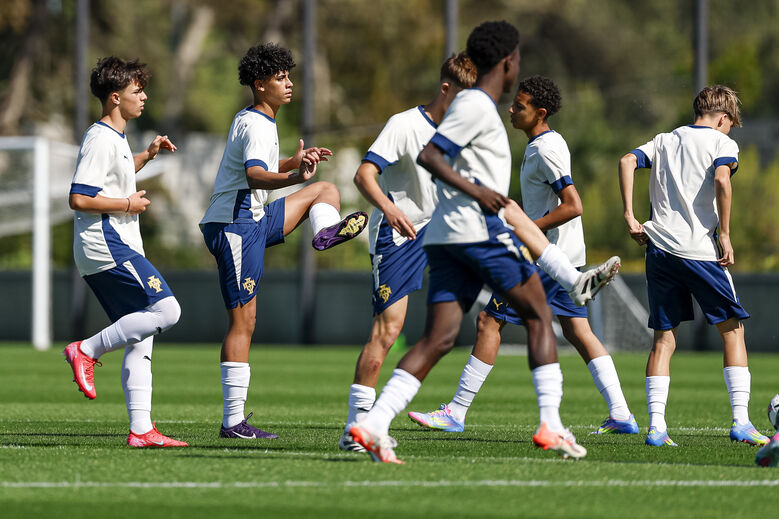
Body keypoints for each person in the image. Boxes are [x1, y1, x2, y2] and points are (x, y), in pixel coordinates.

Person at [349, 21, 618, 464]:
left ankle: (373, 425)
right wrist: (479, 192)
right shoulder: (476, 104)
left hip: (446, 238)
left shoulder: (473, 105)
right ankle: (551, 425)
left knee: (438, 339)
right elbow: (430, 156)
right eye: (517, 61)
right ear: (508, 62)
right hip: (476, 233)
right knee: (538, 313)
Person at [408, 76, 636, 435]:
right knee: (578, 331)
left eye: (521, 105)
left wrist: (527, 229)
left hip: (545, 257)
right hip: (564, 255)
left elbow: (573, 205)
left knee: (489, 322)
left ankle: (456, 412)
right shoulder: (543, 144)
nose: (512, 109)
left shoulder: (545, 149)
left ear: (540, 113)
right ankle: (621, 413)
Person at [200, 43, 366, 440]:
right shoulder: (257, 123)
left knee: (324, 190)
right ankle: (232, 422)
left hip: (253, 217)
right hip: (234, 225)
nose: (289, 83)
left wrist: (296, 163)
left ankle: (325, 233)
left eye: (289, 76)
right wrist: (294, 177)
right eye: (280, 78)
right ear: (260, 85)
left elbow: (258, 169)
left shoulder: (259, 120)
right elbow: (255, 176)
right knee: (244, 321)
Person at [337, 52, 478, 452]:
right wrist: (390, 208)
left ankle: (457, 408)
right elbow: (364, 174)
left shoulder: (463, 132)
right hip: (399, 236)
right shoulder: (404, 125)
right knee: (387, 333)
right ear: (446, 89)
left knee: (482, 317)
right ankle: (355, 427)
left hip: (441, 233)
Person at [618, 85, 769, 447]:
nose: (731, 130)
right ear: (723, 118)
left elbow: (626, 161)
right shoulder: (722, 143)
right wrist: (726, 235)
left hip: (659, 249)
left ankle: (656, 427)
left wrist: (629, 215)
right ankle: (741, 422)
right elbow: (721, 179)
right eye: (731, 124)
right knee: (733, 332)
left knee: (663, 339)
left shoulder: (665, 139)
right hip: (700, 251)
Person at [63, 56, 187, 448]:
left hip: (113, 245)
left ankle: (141, 430)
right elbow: (79, 198)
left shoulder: (115, 139)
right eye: (137, 91)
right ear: (116, 98)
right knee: (168, 311)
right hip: (107, 245)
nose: (144, 97)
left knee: (142, 334)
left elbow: (115, 176)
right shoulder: (100, 138)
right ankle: (85, 350)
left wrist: (146, 156)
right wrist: (127, 206)